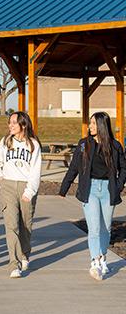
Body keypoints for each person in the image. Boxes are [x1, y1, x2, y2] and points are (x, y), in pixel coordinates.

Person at [59, 111, 126, 280]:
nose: (90, 126)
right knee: (94, 228)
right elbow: (74, 166)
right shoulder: (84, 144)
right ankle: (95, 261)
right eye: (90, 123)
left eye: (94, 124)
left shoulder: (115, 146)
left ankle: (103, 258)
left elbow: (124, 168)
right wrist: (64, 187)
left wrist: (117, 187)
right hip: (90, 189)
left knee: (106, 228)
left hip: (108, 190)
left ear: (102, 126)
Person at [0, 111, 41, 278]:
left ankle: (25, 253)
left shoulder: (33, 144)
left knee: (25, 225)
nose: (10, 125)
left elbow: (36, 171)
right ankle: (14, 263)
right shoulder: (5, 142)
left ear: (24, 125)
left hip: (27, 187)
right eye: (9, 122)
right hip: (9, 186)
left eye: (14, 123)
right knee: (11, 225)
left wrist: (30, 191)